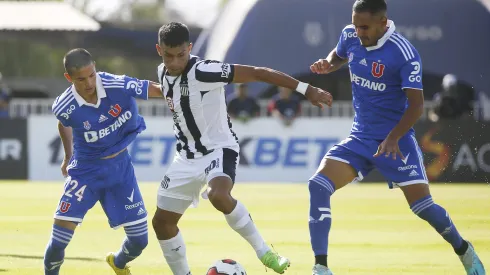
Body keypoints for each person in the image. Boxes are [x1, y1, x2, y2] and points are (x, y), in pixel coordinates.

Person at [307, 1, 485, 275]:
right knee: (318, 185)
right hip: (360, 136)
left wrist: (392, 138)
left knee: (424, 208)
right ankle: (321, 267)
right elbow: (341, 54)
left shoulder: (403, 53)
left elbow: (416, 106)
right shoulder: (351, 35)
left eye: (365, 27)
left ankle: (463, 249)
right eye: (355, 25)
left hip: (396, 142)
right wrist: (329, 64)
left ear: (383, 22)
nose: (359, 32)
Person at [151, 22, 332, 275]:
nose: (174, 62)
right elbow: (173, 94)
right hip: (185, 157)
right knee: (162, 222)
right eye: (168, 56)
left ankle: (265, 253)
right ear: (159, 50)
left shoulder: (205, 71)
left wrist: (306, 89)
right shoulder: (162, 72)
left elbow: (258, 73)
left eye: (181, 55)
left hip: (218, 149)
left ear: (189, 49)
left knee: (218, 195)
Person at [43, 48, 163, 275]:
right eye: (81, 79)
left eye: (91, 75)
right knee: (59, 239)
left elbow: (153, 88)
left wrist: (176, 95)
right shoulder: (64, 105)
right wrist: (68, 156)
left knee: (139, 241)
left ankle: (117, 263)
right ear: (69, 78)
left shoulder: (116, 84)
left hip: (120, 169)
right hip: (86, 171)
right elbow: (64, 122)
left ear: (95, 68)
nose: (89, 83)